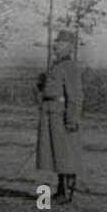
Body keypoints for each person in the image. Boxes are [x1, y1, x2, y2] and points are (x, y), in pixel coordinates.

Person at [36, 29, 84, 202]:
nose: (55, 45)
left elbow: (75, 96)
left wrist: (72, 119)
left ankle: (66, 192)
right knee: (53, 154)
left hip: (61, 116)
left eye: (60, 43)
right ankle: (60, 190)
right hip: (50, 114)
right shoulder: (56, 65)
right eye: (56, 42)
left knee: (65, 154)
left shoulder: (70, 67)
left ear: (69, 47)